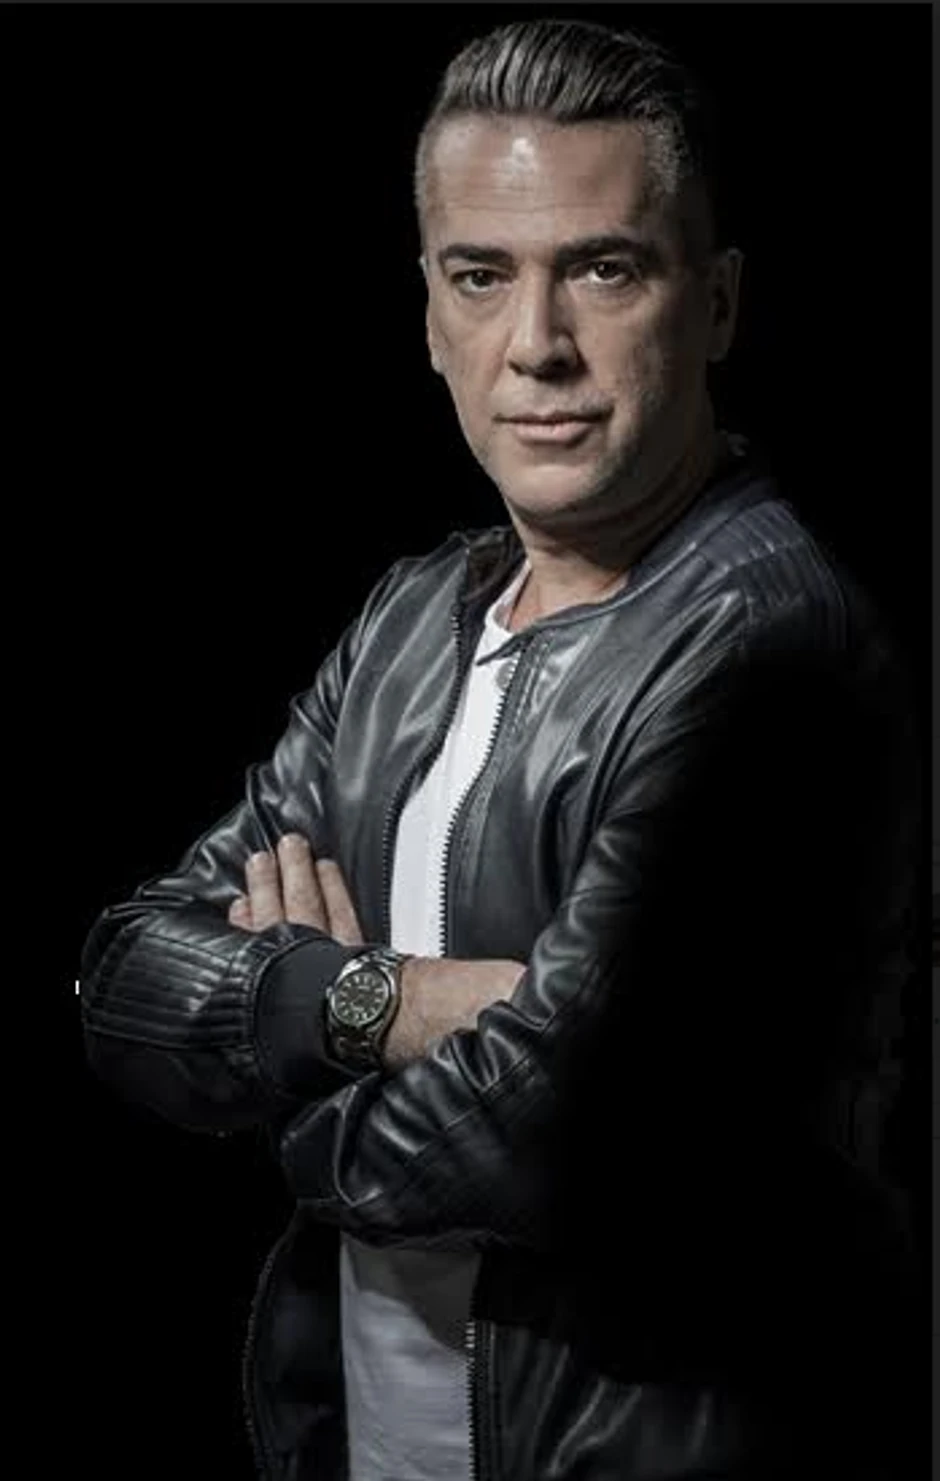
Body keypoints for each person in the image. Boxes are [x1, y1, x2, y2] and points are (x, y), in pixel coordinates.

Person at [80, 17, 921, 1481]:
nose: (537, 344)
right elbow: (124, 977)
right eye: (482, 276)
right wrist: (392, 1004)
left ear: (717, 303)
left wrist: (281, 1057)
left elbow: (569, 1134)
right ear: (429, 314)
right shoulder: (414, 620)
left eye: (604, 269)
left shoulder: (775, 647)